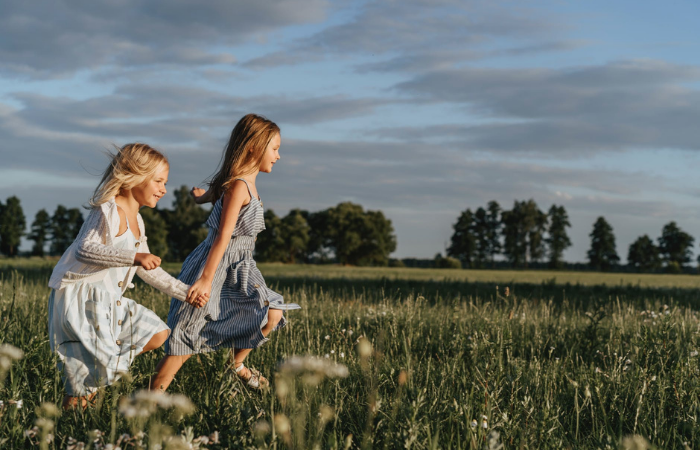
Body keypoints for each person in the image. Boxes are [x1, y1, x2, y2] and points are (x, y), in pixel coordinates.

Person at [48, 143, 206, 409]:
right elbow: (85, 249)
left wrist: (186, 293)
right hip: (83, 300)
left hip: (108, 302)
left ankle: (97, 381)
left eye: (164, 182)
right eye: (158, 181)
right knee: (84, 380)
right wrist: (134, 257)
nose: (163, 189)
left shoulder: (138, 220)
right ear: (134, 176)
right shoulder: (108, 211)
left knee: (157, 333)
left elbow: (150, 271)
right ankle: (70, 422)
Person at [151, 114, 300, 392]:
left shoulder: (239, 183)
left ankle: (237, 365)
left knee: (272, 314)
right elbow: (222, 235)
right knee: (185, 337)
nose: (278, 156)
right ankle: (148, 402)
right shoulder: (239, 186)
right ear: (254, 146)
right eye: (275, 148)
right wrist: (206, 280)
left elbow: (214, 192)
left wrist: (200, 197)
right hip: (214, 266)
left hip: (240, 266)